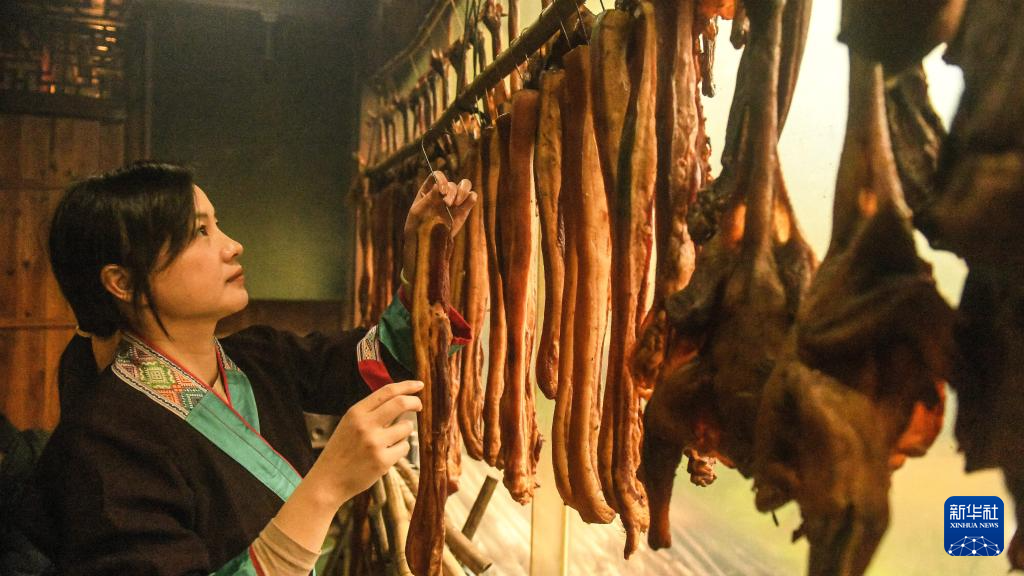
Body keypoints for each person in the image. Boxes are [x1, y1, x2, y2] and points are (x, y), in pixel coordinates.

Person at [17, 162, 475, 575]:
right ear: (122, 281)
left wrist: (424, 261)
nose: (233, 246)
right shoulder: (99, 445)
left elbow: (389, 356)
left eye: (217, 225)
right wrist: (326, 487)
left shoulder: (262, 357)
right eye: (199, 232)